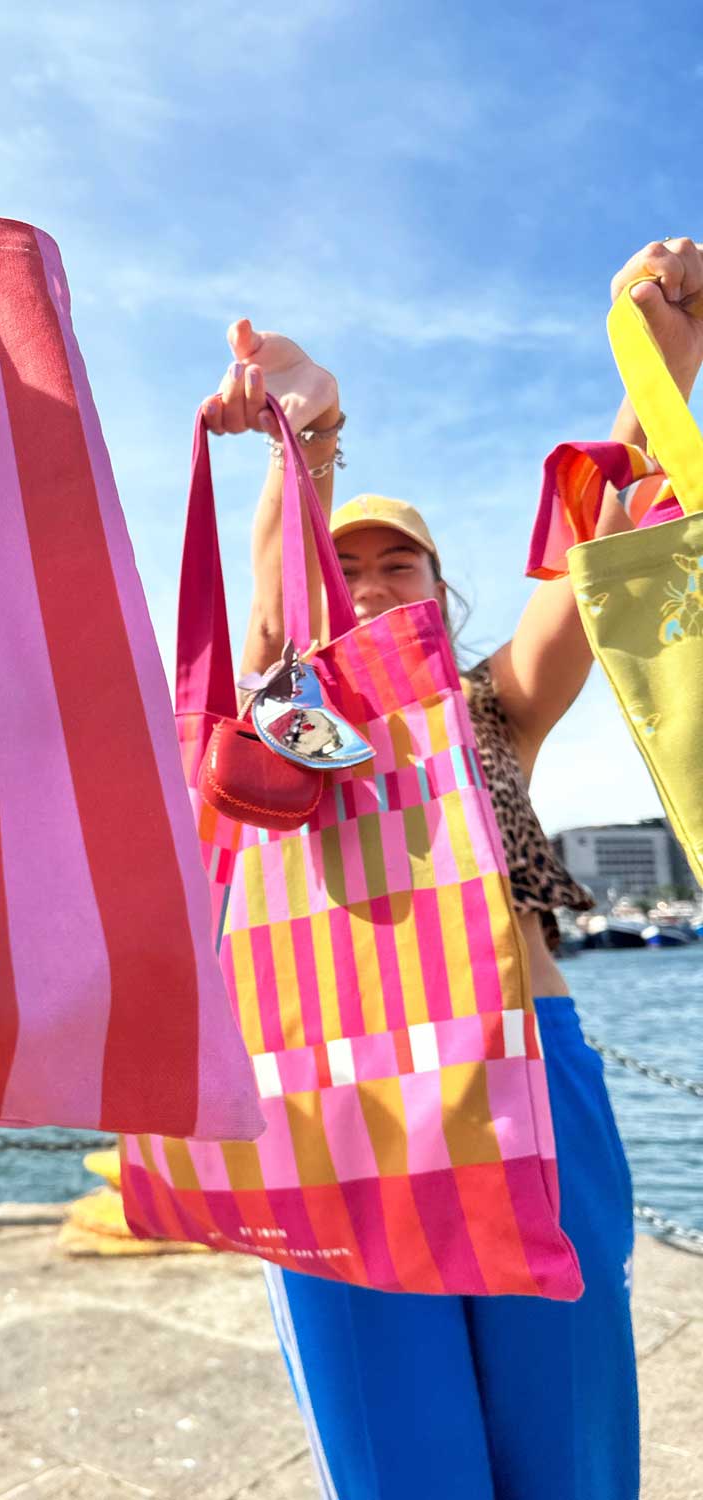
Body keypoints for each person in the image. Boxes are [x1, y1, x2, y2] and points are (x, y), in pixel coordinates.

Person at [199, 236, 703, 1500]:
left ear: (439, 587)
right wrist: (308, 435)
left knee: (569, 1436)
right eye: (347, 565)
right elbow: (269, 611)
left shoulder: (496, 705)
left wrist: (656, 373)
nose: (371, 586)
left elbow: (590, 564)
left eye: (400, 564)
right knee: (394, 1454)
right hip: (329, 1092)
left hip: (526, 1064)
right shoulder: (281, 711)